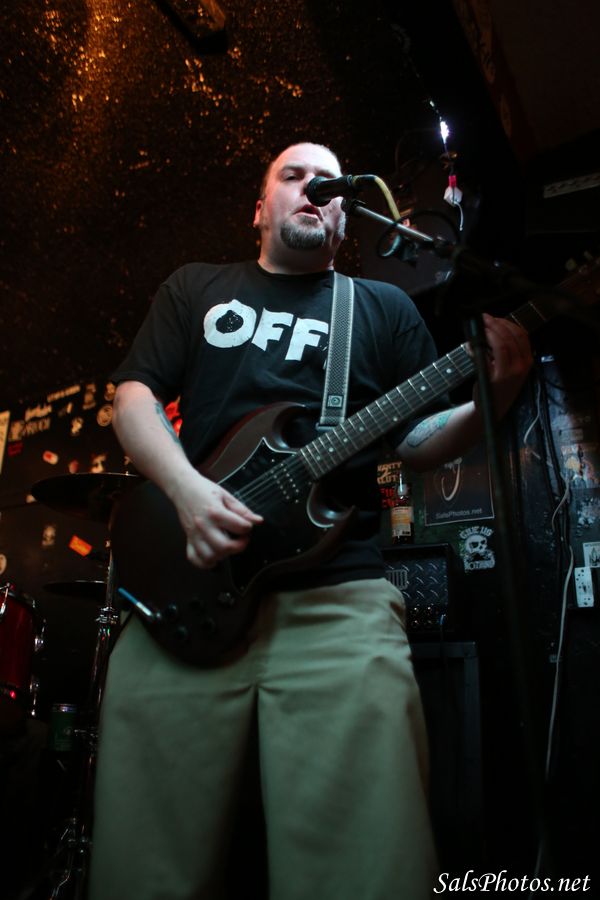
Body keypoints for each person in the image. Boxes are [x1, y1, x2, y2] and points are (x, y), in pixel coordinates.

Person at [88, 142, 532, 900]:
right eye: (292, 176)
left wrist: (495, 398)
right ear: (260, 209)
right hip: (183, 588)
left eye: (327, 183)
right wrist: (188, 492)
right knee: (142, 866)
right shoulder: (197, 287)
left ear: (344, 219)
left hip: (338, 601)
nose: (311, 188)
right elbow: (133, 397)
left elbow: (417, 440)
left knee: (366, 868)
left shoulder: (381, 308)